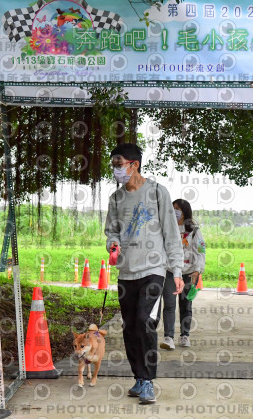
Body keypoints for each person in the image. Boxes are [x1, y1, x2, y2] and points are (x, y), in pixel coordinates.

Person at [104, 143, 184, 404]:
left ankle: (148, 381)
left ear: (134, 164)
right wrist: (113, 245)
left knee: (144, 321)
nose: (116, 170)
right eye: (114, 165)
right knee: (129, 328)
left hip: (153, 271)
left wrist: (177, 271)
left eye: (119, 164)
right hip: (126, 273)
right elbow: (112, 231)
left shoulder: (158, 192)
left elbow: (171, 233)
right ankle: (139, 377)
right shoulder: (116, 198)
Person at [160, 199, 206, 350]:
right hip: (170, 271)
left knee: (185, 304)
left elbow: (201, 251)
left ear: (185, 211)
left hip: (189, 272)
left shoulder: (195, 231)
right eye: (173, 208)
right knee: (169, 304)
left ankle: (185, 335)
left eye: (178, 209)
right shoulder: (167, 228)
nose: (175, 211)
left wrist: (197, 270)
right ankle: (168, 337)